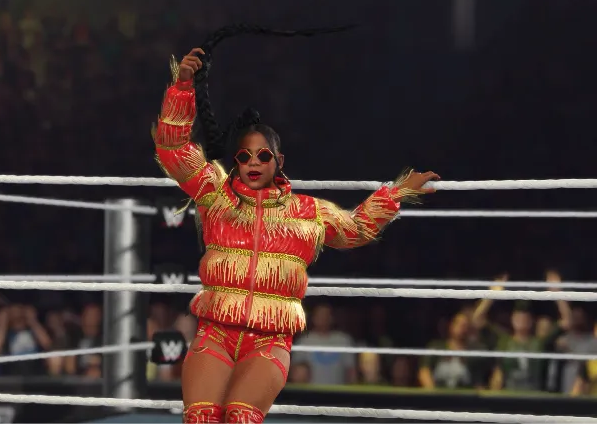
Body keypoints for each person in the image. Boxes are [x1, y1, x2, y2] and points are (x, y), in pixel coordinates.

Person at [153, 25, 439, 423]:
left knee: (240, 417)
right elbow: (172, 149)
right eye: (245, 156)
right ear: (236, 161)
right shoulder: (215, 193)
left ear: (279, 161)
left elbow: (356, 229)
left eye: (263, 156)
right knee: (200, 417)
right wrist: (182, 87)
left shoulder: (307, 211)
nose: (253, 163)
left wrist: (397, 192)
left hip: (269, 341)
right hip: (214, 332)